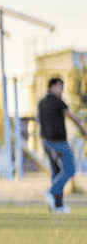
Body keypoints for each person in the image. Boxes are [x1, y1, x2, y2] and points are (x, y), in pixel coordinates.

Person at [39, 78, 85, 213]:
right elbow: (72, 116)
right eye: (59, 87)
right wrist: (84, 131)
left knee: (57, 172)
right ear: (51, 87)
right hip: (58, 142)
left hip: (46, 142)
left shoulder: (41, 103)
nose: (61, 90)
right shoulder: (58, 102)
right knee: (70, 169)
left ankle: (58, 206)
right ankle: (51, 191)